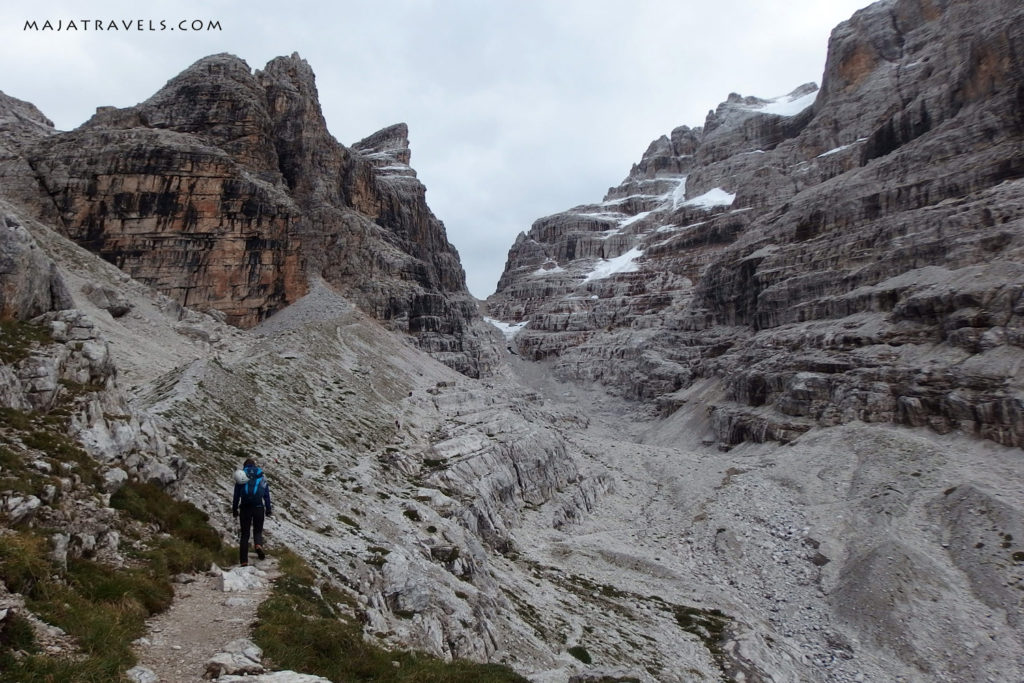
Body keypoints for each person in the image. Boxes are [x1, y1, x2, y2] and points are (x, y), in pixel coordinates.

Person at [232, 457, 272, 566]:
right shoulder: (261, 476)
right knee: (258, 531)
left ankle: (244, 561)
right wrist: (268, 509)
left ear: (245, 466)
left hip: (245, 508)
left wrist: (234, 509)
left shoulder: (241, 476)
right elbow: (266, 495)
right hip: (258, 507)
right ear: (254, 466)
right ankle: (258, 545)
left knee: (245, 534)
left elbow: (236, 496)